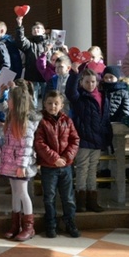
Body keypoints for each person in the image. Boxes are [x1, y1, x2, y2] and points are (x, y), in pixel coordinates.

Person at [0, 83, 42, 241]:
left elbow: (27, 146)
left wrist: (22, 165)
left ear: (16, 102)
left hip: (21, 164)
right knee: (15, 193)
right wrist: (3, 92)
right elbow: (0, 105)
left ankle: (29, 226)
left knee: (23, 193)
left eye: (10, 99)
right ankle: (15, 224)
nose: (7, 102)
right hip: (10, 161)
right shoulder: (12, 115)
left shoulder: (26, 121)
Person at [35, 91, 81, 238]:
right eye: (49, 103)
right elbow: (39, 143)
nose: (52, 106)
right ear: (44, 104)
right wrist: (54, 158)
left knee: (68, 197)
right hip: (49, 167)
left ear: (61, 105)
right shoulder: (41, 121)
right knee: (49, 197)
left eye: (56, 103)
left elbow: (75, 140)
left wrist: (66, 157)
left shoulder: (67, 120)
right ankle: (51, 224)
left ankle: (70, 222)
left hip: (66, 166)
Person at [66, 66, 112, 213]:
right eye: (87, 82)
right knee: (82, 170)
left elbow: (105, 118)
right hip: (84, 138)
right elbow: (69, 92)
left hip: (98, 139)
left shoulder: (103, 96)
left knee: (93, 170)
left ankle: (92, 200)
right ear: (82, 83)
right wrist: (74, 74)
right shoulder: (79, 97)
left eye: (93, 82)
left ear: (97, 82)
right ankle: (80, 201)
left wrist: (106, 137)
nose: (90, 85)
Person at [15, 16, 50, 105]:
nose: (35, 30)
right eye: (33, 29)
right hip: (32, 77)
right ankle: (34, 119)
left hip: (46, 77)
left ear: (43, 31)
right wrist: (20, 26)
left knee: (47, 101)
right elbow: (20, 41)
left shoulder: (50, 43)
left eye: (38, 28)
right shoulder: (29, 43)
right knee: (32, 102)